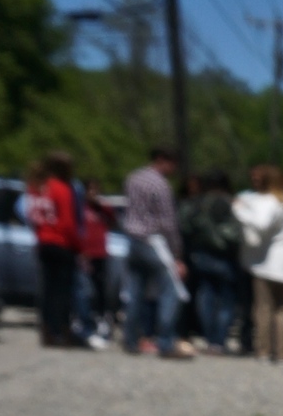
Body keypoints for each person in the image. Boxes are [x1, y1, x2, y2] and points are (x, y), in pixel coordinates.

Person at [234, 164, 283, 363]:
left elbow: (260, 225)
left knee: (263, 307)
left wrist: (239, 211)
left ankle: (264, 349)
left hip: (268, 261)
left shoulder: (266, 202)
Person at [121, 147, 191, 359]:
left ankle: (130, 339)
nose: (174, 169)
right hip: (153, 241)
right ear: (163, 160)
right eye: (172, 164)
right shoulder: (160, 185)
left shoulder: (133, 178)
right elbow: (168, 221)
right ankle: (166, 341)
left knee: (135, 290)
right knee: (171, 289)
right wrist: (177, 252)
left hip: (133, 239)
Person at [182, 169, 242, 353]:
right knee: (225, 300)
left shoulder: (197, 203)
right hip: (224, 255)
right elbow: (237, 230)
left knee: (206, 296)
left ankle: (209, 338)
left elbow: (185, 225)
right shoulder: (229, 203)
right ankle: (219, 340)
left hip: (201, 255)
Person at [25, 153, 77, 348]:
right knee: (62, 291)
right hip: (61, 243)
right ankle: (62, 330)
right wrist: (77, 246)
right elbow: (67, 223)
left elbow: (31, 215)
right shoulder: (62, 189)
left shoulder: (35, 187)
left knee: (46, 290)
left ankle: (46, 330)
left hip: (42, 242)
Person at [73, 174, 115, 348]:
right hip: (85, 254)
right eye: (90, 190)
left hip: (100, 253)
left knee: (100, 290)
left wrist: (103, 205)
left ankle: (101, 320)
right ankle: (82, 321)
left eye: (96, 190)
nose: (93, 193)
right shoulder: (80, 209)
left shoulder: (102, 209)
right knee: (85, 291)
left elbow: (112, 222)